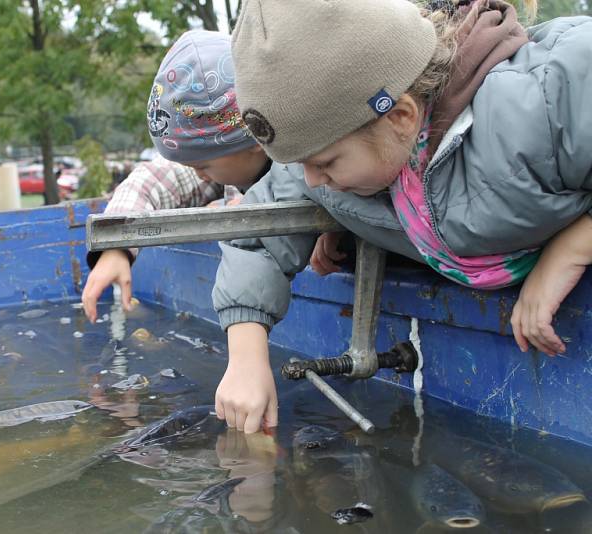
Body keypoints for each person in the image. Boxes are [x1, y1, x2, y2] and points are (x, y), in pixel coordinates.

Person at [212, 0, 591, 432]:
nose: (312, 182)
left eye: (325, 162)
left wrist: (572, 248)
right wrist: (246, 359)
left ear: (401, 118)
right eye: (299, 164)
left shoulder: (538, 103)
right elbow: (255, 234)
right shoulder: (333, 154)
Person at [82, 30, 283, 323]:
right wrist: (116, 245)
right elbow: (153, 180)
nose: (199, 176)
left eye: (203, 166)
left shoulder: (310, 169)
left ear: (254, 140)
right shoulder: (224, 163)